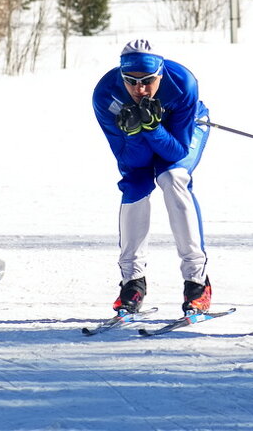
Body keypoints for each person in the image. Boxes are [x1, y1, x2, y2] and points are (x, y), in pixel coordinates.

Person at [91, 39, 213, 317]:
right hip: (143, 141)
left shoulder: (183, 82)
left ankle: (197, 282)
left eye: (147, 80)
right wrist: (135, 132)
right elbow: (132, 163)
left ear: (160, 74)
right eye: (130, 81)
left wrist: (152, 128)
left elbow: (176, 151)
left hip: (185, 130)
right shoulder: (105, 95)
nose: (139, 89)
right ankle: (132, 282)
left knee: (172, 179)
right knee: (136, 185)